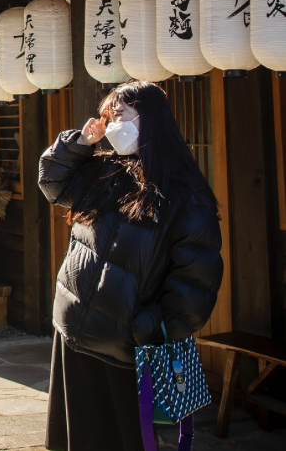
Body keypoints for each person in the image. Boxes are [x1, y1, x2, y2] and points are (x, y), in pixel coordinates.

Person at [39, 80, 223, 451]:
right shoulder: (106, 170)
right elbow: (53, 184)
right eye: (108, 117)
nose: (110, 125)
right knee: (75, 437)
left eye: (119, 115)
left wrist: (148, 328)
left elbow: (195, 282)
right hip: (74, 329)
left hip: (126, 347)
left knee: (123, 440)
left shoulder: (185, 193)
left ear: (150, 121)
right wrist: (78, 145)